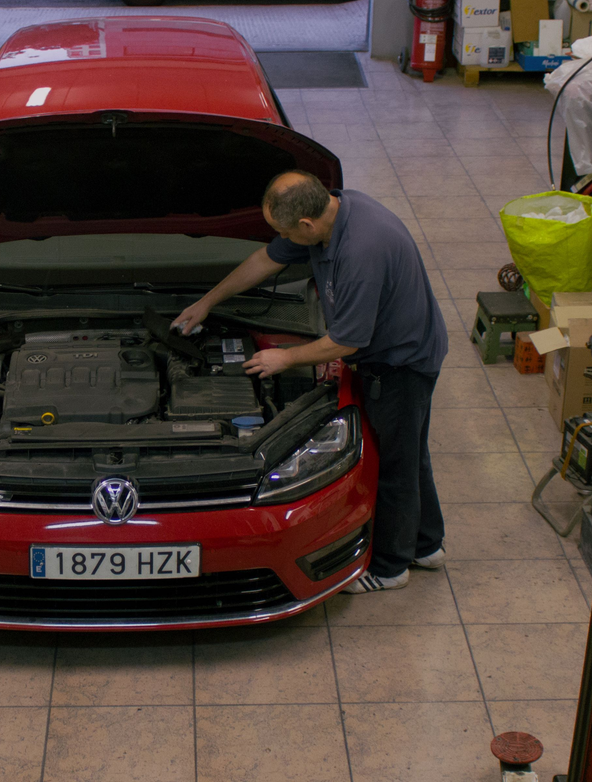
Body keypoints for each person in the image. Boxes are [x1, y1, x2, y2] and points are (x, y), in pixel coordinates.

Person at [174, 170, 448, 592]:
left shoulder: (361, 251)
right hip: (400, 348)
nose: (283, 239)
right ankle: (427, 545)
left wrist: (285, 358)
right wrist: (207, 302)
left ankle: (391, 568)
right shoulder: (332, 212)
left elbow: (347, 341)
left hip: (401, 364)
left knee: (393, 465)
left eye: (286, 232)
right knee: (410, 452)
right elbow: (266, 260)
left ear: (306, 224)